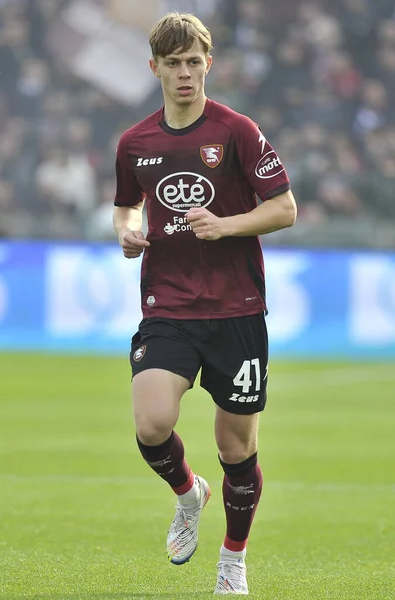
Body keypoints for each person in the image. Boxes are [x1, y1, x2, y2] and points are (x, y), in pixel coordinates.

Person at [113, 12, 297, 596]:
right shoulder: (134, 142)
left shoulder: (238, 130)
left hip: (237, 309)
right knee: (151, 424)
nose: (185, 73)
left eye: (194, 61)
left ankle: (232, 560)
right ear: (155, 69)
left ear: (208, 64)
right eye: (173, 64)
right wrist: (128, 228)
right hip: (167, 303)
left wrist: (227, 225)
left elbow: (285, 208)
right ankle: (189, 493)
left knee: (236, 447)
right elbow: (126, 204)